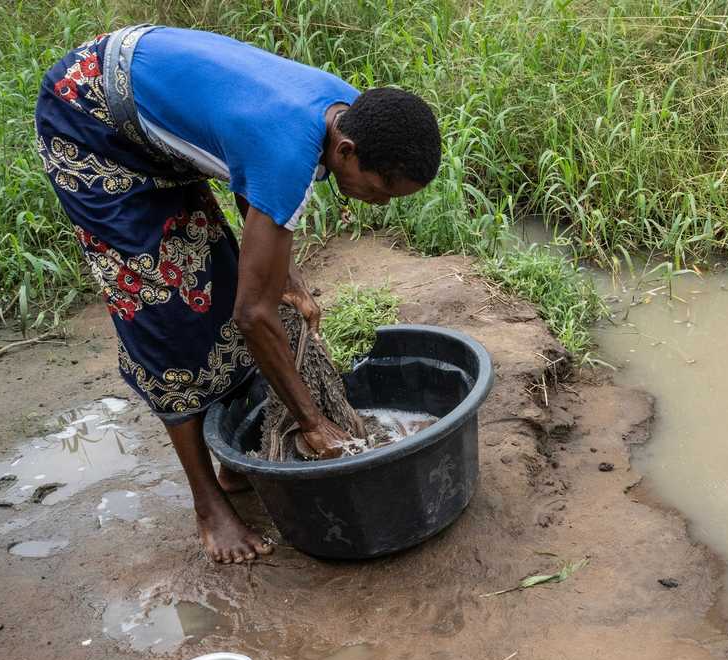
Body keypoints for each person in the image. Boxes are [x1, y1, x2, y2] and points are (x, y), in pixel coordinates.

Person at [33, 25, 441, 563]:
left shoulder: (347, 113)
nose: (381, 204)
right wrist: (313, 424)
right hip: (89, 118)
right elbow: (253, 315)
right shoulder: (289, 148)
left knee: (219, 274)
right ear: (346, 151)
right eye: (382, 189)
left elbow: (248, 163)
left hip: (150, 107)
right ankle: (208, 503)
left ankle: (233, 464)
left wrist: (284, 274)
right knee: (165, 315)